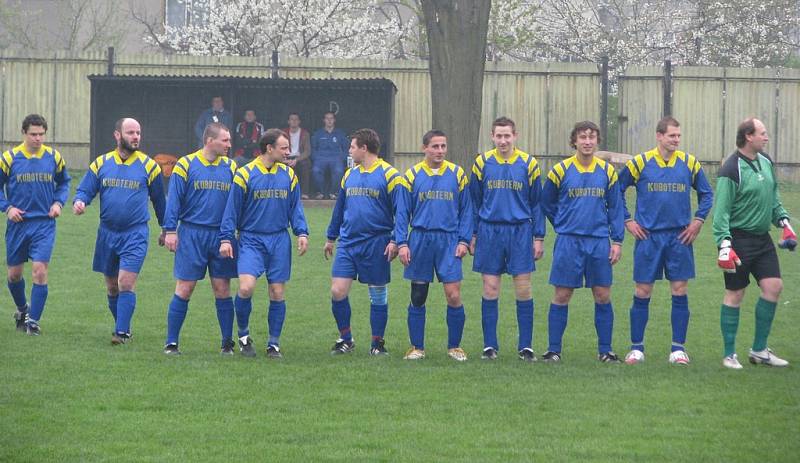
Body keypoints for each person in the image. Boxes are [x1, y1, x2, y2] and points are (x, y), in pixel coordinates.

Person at [618, 116, 713, 365]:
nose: (676, 140)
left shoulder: (689, 163)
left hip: (679, 237)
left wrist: (698, 221)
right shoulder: (640, 162)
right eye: (672, 136)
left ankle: (677, 349)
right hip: (648, 237)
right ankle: (636, 348)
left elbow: (707, 194)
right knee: (642, 290)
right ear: (659, 136)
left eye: (679, 136)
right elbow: (615, 190)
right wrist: (628, 220)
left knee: (680, 290)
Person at [73, 118, 166, 345]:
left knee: (125, 282)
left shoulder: (149, 166)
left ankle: (121, 333)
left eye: (138, 132)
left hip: (135, 233)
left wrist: (167, 229)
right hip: (107, 233)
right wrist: (80, 201)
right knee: (112, 286)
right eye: (131, 132)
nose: (136, 137)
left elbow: (159, 202)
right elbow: (86, 189)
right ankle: (122, 326)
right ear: (117, 135)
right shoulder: (101, 163)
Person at [713, 117, 795, 369]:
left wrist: (784, 224)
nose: (766, 137)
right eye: (762, 133)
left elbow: (773, 198)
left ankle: (759, 350)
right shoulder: (731, 169)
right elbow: (721, 213)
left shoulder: (766, 161)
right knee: (735, 293)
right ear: (748, 136)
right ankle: (729, 354)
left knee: (774, 286)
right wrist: (724, 244)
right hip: (738, 240)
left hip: (762, 240)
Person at [219, 128, 309, 358]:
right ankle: (243, 335)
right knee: (246, 287)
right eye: (284, 147)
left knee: (277, 292)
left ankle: (273, 344)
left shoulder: (288, 175)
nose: (288, 151)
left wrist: (302, 233)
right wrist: (227, 239)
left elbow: (295, 208)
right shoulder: (245, 174)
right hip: (251, 239)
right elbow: (232, 210)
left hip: (279, 240)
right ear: (269, 148)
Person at [541, 121, 624, 363]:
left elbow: (615, 208)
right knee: (562, 294)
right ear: (574, 141)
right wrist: (562, 223)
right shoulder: (560, 170)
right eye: (582, 137)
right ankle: (553, 350)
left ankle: (605, 350)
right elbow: (546, 202)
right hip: (569, 241)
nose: (587, 141)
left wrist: (616, 241)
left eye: (592, 137)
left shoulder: (607, 172)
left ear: (597, 141)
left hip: (598, 241)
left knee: (602, 294)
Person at [323, 128, 407, 356]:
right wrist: (331, 238)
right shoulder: (349, 175)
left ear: (364, 148)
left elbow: (401, 213)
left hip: (377, 243)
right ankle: (346, 339)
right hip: (348, 243)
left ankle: (377, 343)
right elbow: (340, 208)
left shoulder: (390, 175)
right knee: (337, 291)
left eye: (352, 147)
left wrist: (396, 240)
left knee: (377, 293)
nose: (349, 151)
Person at [468, 117, 544, 362]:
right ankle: (490, 346)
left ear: (515, 136)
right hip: (490, 231)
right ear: (492, 136)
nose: (503, 140)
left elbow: (536, 204)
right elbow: (474, 202)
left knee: (523, 289)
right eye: (498, 136)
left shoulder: (528, 164)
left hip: (520, 231)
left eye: (507, 136)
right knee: (490, 288)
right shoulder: (482, 163)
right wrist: (473, 234)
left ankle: (526, 346)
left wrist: (538, 237)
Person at [395, 130, 472, 361]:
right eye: (435, 146)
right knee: (418, 295)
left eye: (443, 146)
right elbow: (401, 213)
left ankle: (455, 347)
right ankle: (417, 347)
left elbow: (467, 210)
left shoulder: (457, 174)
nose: (440, 151)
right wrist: (402, 243)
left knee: (453, 295)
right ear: (424, 148)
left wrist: (464, 240)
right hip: (420, 240)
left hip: (448, 241)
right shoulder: (411, 176)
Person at [162, 123, 238, 355]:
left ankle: (227, 342)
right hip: (192, 234)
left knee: (222, 288)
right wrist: (170, 230)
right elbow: (173, 199)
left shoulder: (231, 166)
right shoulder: (185, 164)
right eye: (225, 140)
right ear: (209, 140)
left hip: (221, 236)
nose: (229, 144)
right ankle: (171, 342)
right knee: (185, 288)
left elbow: (237, 203)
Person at [1, 114, 70, 335]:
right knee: (14, 275)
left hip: (44, 224)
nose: (38, 139)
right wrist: (8, 208)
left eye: (41, 134)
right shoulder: (9, 158)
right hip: (18, 225)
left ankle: (33, 322)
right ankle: (22, 309)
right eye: (33, 134)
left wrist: (59, 203)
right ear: (24, 133)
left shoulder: (54, 157)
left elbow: (64, 182)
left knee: (40, 271)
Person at [311, 111, 349, 199]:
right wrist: (315, 158)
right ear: (324, 120)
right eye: (327, 118)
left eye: (331, 118)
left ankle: (334, 192)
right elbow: (313, 148)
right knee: (315, 170)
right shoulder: (318, 133)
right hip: (320, 158)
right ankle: (320, 192)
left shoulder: (340, 133)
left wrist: (342, 158)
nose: (329, 121)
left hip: (336, 158)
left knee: (339, 171)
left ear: (334, 120)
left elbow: (346, 149)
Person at [283, 112, 312, 199]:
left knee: (305, 165)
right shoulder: (283, 133)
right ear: (288, 121)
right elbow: (279, 149)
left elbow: (307, 151)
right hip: (286, 157)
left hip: (300, 158)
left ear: (299, 121)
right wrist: (285, 159)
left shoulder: (305, 133)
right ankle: (288, 193)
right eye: (292, 119)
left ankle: (304, 193)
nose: (294, 121)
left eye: (296, 119)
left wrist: (296, 160)